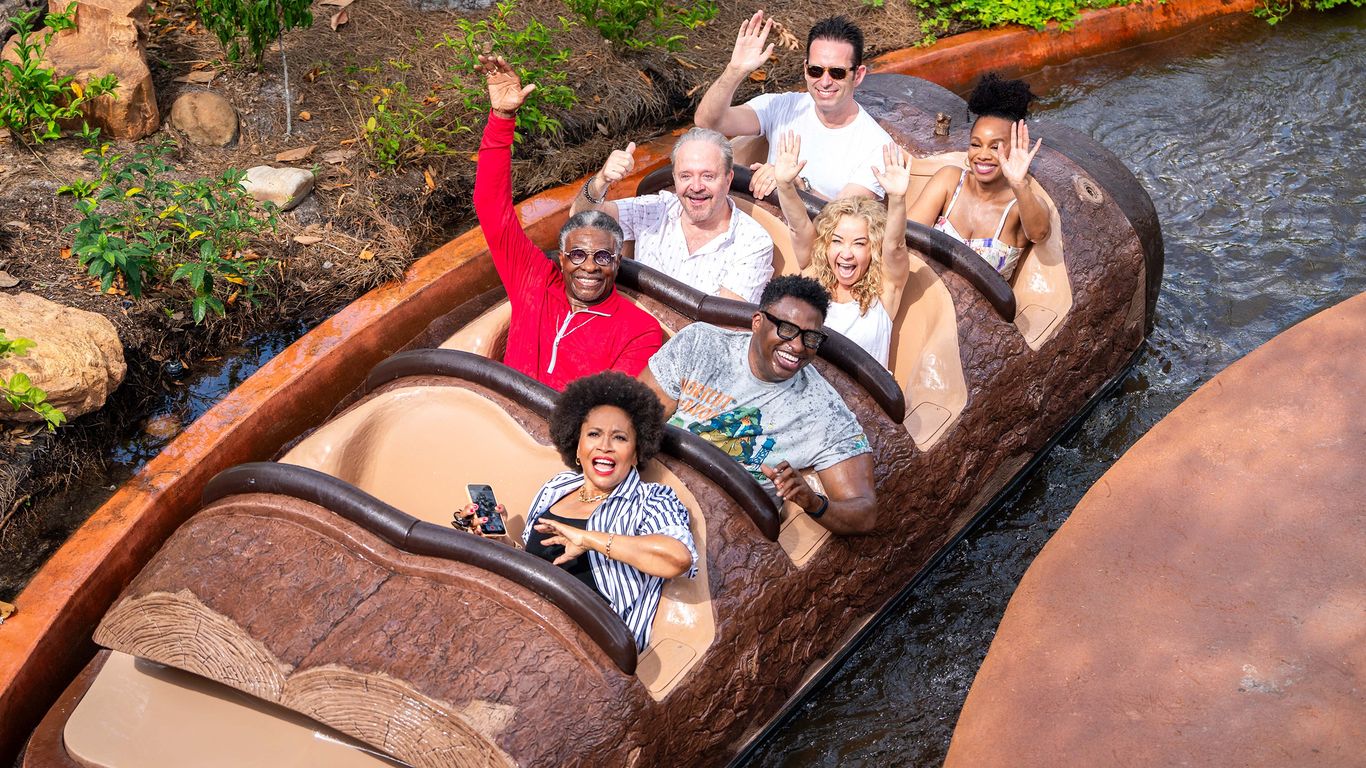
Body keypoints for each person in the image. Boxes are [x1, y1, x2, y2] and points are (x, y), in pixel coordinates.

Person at [457, 372, 697, 650]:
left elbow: (678, 558)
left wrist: (587, 539)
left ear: (636, 451)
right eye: (594, 434)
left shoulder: (652, 499)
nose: (605, 446)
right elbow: (536, 565)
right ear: (578, 445)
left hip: (586, 646)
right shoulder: (557, 487)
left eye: (619, 438)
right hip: (521, 620)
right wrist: (501, 544)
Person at [474, 55, 663, 389]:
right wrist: (503, 118)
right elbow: (491, 206)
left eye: (602, 257)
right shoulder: (534, 280)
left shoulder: (640, 331)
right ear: (561, 258)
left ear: (617, 263)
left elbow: (605, 411)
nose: (589, 266)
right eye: (578, 255)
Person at [639, 276, 878, 535]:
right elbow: (632, 420)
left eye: (811, 338)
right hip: (643, 491)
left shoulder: (824, 412)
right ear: (757, 322)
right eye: (786, 329)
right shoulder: (701, 345)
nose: (797, 346)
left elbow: (864, 513)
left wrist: (812, 502)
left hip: (720, 533)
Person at [695, 12, 894, 201]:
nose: (825, 82)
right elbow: (708, 122)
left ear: (857, 75)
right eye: (816, 70)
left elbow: (844, 218)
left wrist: (796, 188)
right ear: (806, 69)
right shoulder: (783, 106)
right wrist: (735, 70)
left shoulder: (877, 146)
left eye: (837, 73)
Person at [571, 128, 775, 304]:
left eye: (708, 176)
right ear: (675, 178)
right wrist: (601, 181)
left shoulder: (752, 242)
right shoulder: (655, 208)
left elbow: (723, 330)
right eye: (686, 176)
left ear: (728, 179)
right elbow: (580, 218)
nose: (696, 187)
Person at [772, 131, 911, 367]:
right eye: (837, 241)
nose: (846, 253)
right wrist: (784, 185)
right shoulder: (814, 273)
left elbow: (895, 245)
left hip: (859, 399)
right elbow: (799, 226)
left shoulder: (886, 287)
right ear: (826, 245)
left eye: (859, 243)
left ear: (873, 249)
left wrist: (897, 199)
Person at [908, 73, 1052, 281]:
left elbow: (1038, 233)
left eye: (996, 147)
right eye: (976, 144)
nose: (982, 155)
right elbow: (906, 236)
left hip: (980, 313)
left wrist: (1019, 184)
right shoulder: (949, 180)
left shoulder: (1018, 206)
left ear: (1015, 150)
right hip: (926, 299)